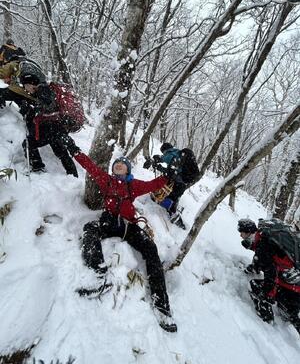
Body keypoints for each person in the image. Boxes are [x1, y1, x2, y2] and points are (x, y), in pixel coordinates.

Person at [68, 148, 177, 333]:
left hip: (128, 226)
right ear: (113, 169)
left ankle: (162, 306)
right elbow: (90, 167)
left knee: (150, 249)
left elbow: (153, 184)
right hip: (108, 222)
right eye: (116, 164)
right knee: (90, 229)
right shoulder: (107, 181)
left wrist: (168, 176)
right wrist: (75, 151)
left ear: (127, 170)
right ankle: (98, 275)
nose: (119, 165)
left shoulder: (133, 185)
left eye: (123, 164)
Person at [237, 218, 300, 335]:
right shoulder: (263, 238)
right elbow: (264, 261)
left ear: (248, 232)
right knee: (288, 310)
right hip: (293, 280)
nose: (240, 235)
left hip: (294, 286)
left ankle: (267, 321)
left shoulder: (263, 246)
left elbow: (271, 275)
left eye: (242, 232)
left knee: (254, 286)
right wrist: (253, 268)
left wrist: (266, 296)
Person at [19, 74, 78, 176]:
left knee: (30, 143)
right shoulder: (38, 92)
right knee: (61, 152)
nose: (25, 88)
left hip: (52, 128)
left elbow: (48, 106)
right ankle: (72, 174)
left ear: (30, 84)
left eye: (25, 85)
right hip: (52, 129)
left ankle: (39, 168)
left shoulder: (43, 90)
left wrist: (31, 108)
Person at [144, 143, 199, 229]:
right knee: (175, 197)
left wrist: (158, 161)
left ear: (165, 149)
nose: (163, 153)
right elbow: (172, 171)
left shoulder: (170, 153)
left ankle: (173, 215)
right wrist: (160, 167)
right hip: (184, 182)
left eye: (163, 152)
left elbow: (166, 164)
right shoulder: (178, 154)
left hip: (178, 182)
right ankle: (175, 214)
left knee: (170, 197)